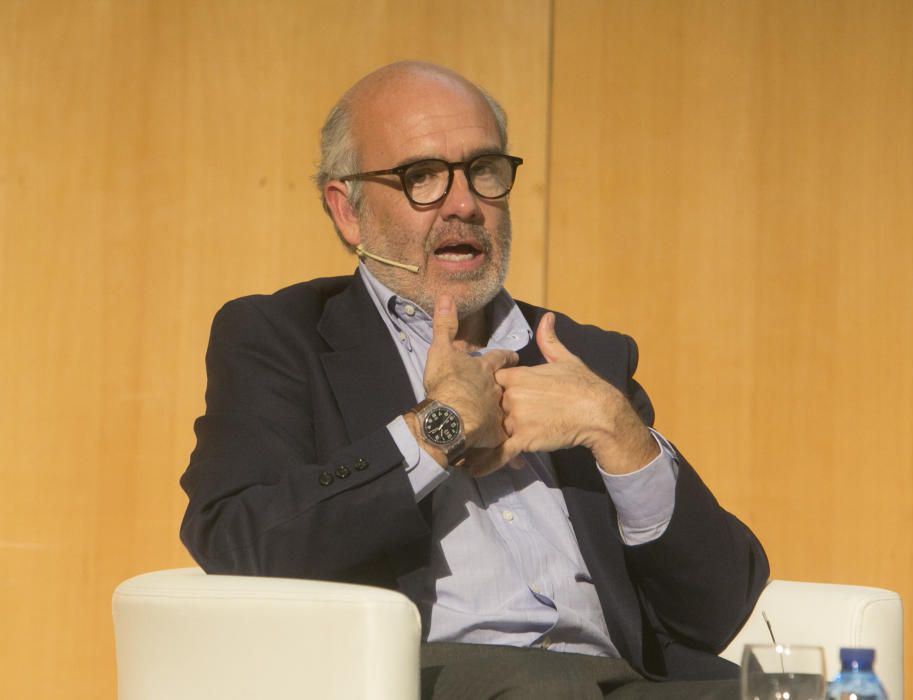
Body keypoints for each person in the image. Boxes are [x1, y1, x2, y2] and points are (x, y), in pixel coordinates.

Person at [180, 61, 769, 699]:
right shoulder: (281, 337)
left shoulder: (579, 355)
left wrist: (625, 439)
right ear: (347, 210)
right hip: (427, 678)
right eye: (422, 177)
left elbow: (717, 611)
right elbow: (240, 538)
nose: (464, 204)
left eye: (484, 171)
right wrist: (440, 427)